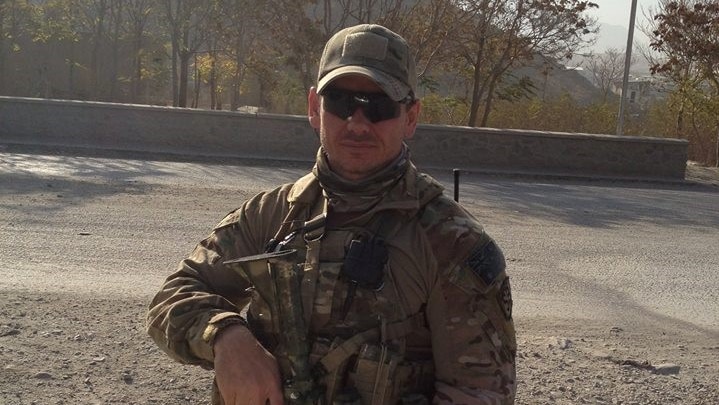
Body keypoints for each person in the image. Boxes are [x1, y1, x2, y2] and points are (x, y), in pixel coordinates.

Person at [147, 24, 516, 405]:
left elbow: (480, 391)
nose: (358, 123)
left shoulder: (451, 242)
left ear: (410, 117)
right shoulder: (270, 214)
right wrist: (225, 335)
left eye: (380, 106)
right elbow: (172, 297)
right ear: (313, 108)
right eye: (341, 102)